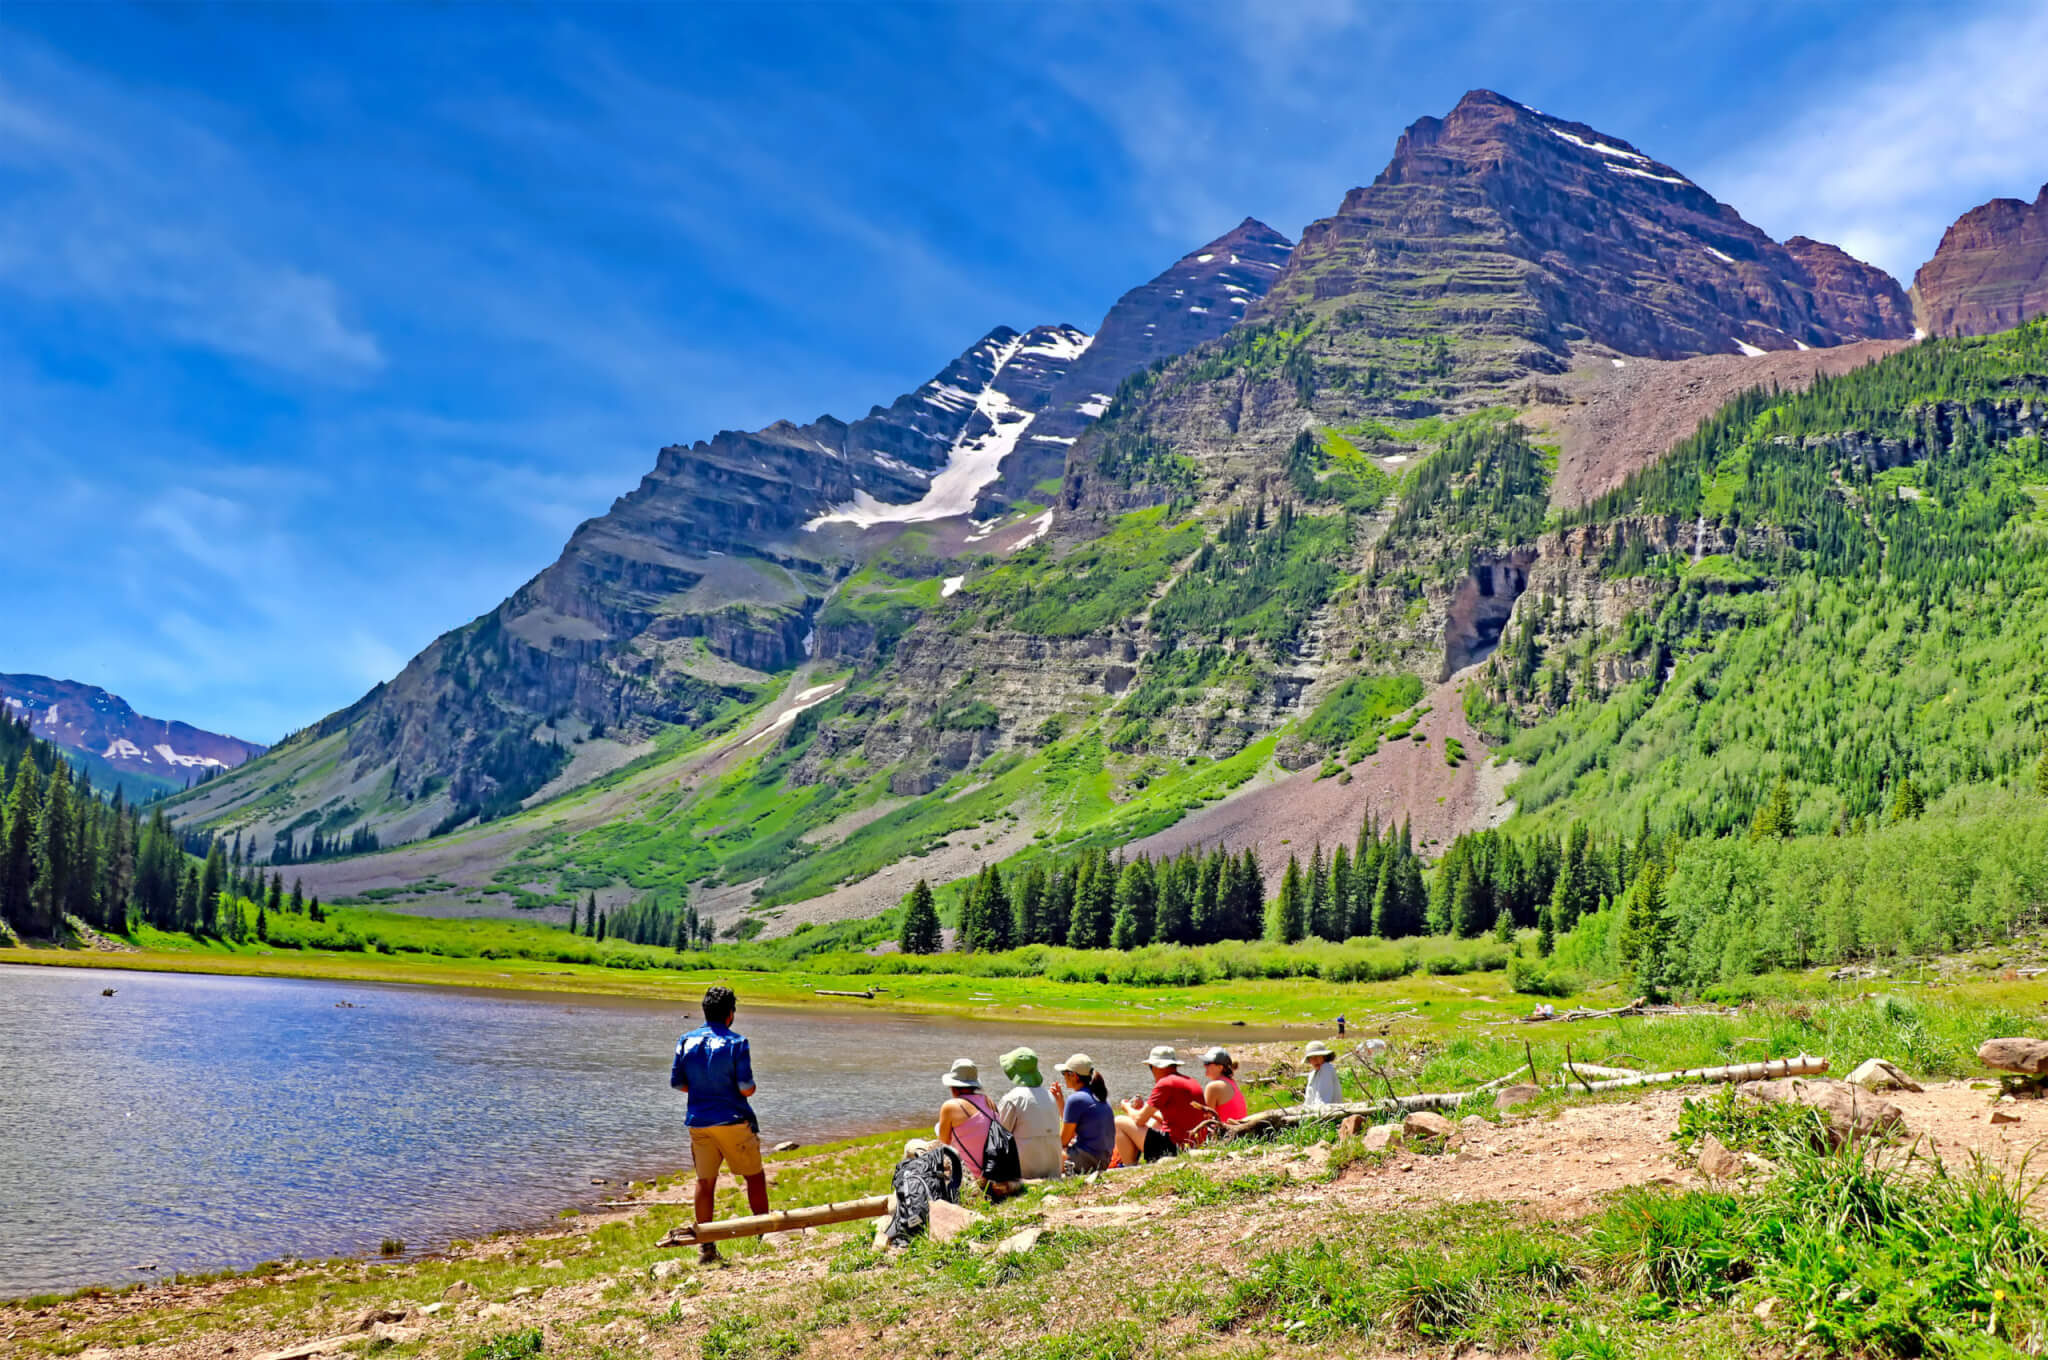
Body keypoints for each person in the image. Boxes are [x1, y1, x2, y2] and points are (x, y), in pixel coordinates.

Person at [669, 985, 768, 1264]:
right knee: (754, 1176)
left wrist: (704, 1088)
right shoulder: (738, 1043)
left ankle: (707, 1246)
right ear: (730, 1014)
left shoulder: (685, 1040)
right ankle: (764, 1233)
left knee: (705, 1181)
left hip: (699, 1122)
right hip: (733, 1120)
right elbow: (746, 1087)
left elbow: (678, 1083)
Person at [1114, 1046, 1215, 1165]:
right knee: (1152, 1122)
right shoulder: (1190, 1081)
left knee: (1119, 1121)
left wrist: (1126, 1107)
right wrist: (1144, 1109)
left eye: (1151, 1067)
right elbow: (1168, 1117)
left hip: (1171, 1148)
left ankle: (1130, 1166)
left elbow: (1139, 1120)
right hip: (1192, 1144)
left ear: (1156, 1067)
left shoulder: (1165, 1083)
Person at [996, 1047, 1064, 1180]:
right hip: (1053, 1170)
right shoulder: (1050, 1096)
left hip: (1025, 1173)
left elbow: (999, 1137)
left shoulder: (1012, 1099)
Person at [934, 1058, 1003, 1184]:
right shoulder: (990, 1102)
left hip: (972, 1176)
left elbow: (944, 1143)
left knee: (914, 1146)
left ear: (953, 1087)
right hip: (997, 1173)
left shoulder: (951, 1106)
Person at [1054, 1053, 1116, 1174]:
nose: (1064, 1077)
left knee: (1047, 1153)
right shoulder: (1099, 1096)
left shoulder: (1076, 1099)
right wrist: (1061, 1103)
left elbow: (1063, 1141)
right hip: (1103, 1161)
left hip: (1087, 1162)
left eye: (1065, 1073)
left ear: (1074, 1076)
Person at [1200, 1046, 1248, 1124]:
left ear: (1220, 1067)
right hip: (1238, 1133)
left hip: (1226, 1134)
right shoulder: (1231, 1082)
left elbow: (1206, 1119)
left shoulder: (1214, 1086)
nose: (1204, 1065)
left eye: (1208, 1063)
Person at [1302, 1039, 1342, 1107]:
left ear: (1324, 1057)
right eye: (1312, 1057)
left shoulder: (1327, 1068)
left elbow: (1323, 1102)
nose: (1315, 1060)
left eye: (1317, 1056)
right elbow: (1308, 1101)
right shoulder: (1312, 1075)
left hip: (1329, 1112)